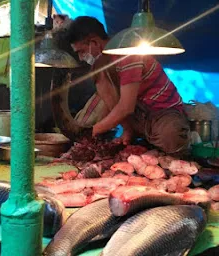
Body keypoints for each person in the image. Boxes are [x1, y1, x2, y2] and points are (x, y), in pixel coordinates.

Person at [66, 16, 190, 155]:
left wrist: (93, 131)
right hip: (138, 116)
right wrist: (127, 130)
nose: (81, 58)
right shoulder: (99, 67)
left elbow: (125, 107)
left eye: (81, 51)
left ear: (94, 42)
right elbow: (111, 102)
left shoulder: (127, 53)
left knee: (170, 137)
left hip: (163, 113)